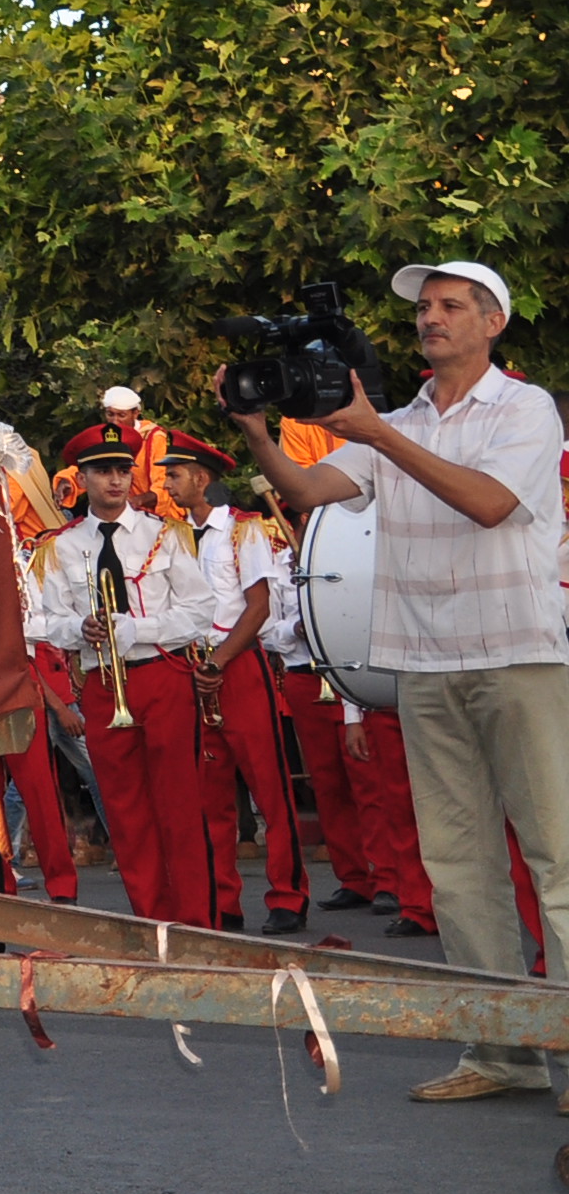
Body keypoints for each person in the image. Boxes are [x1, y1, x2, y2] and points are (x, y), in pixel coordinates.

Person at [230, 259, 569, 1104]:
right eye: (424, 308)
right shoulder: (400, 418)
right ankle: (501, 1054)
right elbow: (310, 490)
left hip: (516, 655)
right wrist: (256, 430)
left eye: (451, 305)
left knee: (556, 858)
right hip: (423, 663)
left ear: (494, 323)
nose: (431, 319)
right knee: (458, 868)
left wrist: (380, 435)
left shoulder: (524, 410)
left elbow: (488, 503)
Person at [32, 421, 220, 928]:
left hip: (162, 675)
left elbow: (201, 609)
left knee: (179, 806)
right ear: (83, 476)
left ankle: (198, 925)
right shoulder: (63, 545)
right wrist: (80, 626)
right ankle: (152, 924)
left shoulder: (166, 536)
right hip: (101, 685)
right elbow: (45, 622)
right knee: (127, 813)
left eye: (122, 470)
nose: (115, 480)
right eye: (102, 471)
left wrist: (135, 628)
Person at [161, 434, 313, 933]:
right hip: (193, 668)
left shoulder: (244, 531)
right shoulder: (174, 535)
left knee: (270, 790)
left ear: (202, 478)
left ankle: (287, 895)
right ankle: (222, 899)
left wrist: (219, 662)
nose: (167, 483)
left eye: (175, 474)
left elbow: (260, 605)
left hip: (239, 667)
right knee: (210, 796)